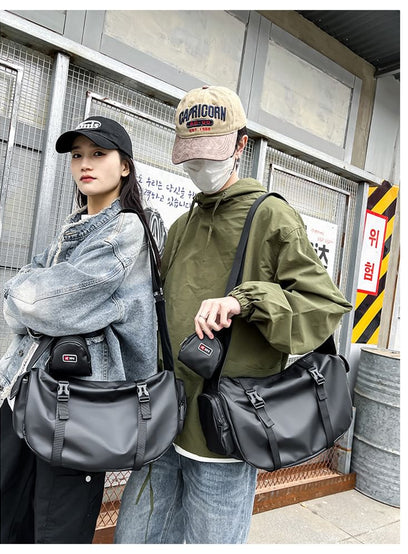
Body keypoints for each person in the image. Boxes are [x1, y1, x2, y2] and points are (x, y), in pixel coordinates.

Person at [114, 85, 353, 544]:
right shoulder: (182, 225)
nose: (199, 166)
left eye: (211, 153)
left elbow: (324, 305)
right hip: (163, 420)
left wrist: (246, 299)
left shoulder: (271, 218)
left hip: (224, 432)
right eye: (191, 156)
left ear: (241, 145)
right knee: (136, 539)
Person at [0, 116, 160, 544]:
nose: (85, 164)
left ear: (124, 166)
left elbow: (37, 302)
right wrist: (27, 297)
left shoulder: (125, 230)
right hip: (27, 392)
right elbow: (33, 301)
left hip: (80, 408)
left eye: (98, 154)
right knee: (9, 519)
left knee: (57, 531)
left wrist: (21, 295)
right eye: (77, 155)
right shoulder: (72, 227)